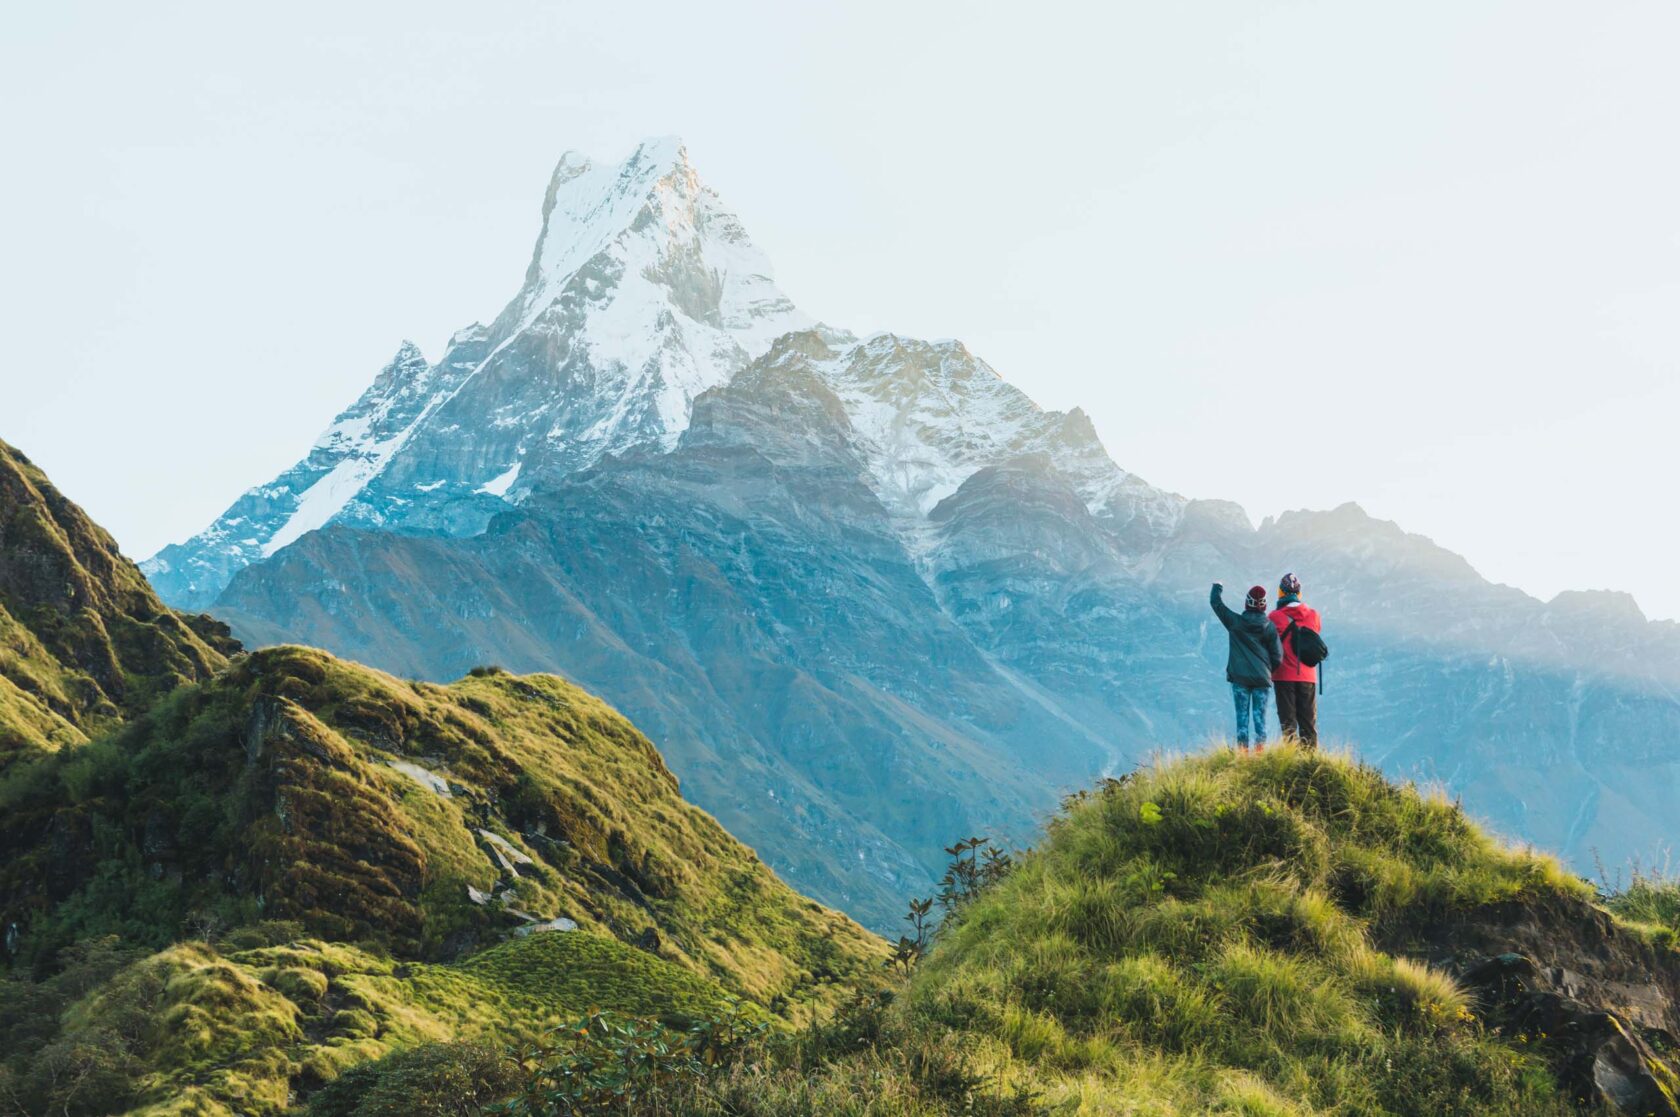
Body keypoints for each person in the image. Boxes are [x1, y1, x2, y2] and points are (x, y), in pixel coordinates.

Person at [1210, 582, 1283, 753]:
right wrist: (1267, 671)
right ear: (1264, 605)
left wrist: (1217, 587)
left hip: (1240, 679)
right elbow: (1278, 656)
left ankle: (1242, 757)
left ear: (1247, 603)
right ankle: (1259, 757)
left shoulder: (1235, 622)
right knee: (1260, 722)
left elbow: (1216, 604)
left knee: (1242, 721)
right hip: (1262, 680)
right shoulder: (1270, 627)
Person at [1269, 572, 1322, 747]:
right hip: (1308, 676)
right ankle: (1310, 765)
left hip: (1283, 676)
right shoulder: (1314, 615)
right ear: (1299, 593)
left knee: (1288, 724)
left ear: (1280, 593)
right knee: (1308, 724)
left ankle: (1290, 763)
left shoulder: (1274, 617)